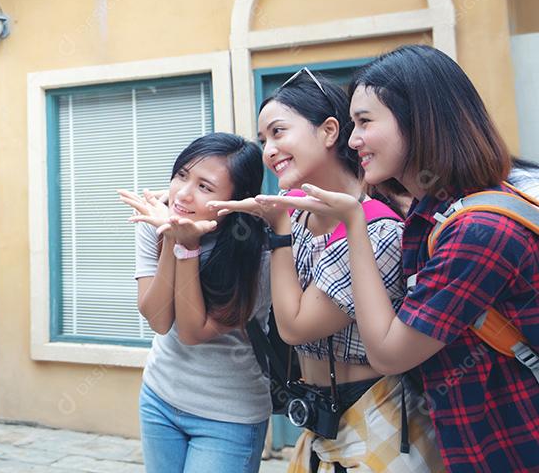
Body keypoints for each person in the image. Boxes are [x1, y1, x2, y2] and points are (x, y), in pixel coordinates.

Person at [263, 46, 538, 472]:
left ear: (419, 119)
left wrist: (354, 223)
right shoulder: (432, 215)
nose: (355, 141)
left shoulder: (478, 231)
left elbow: (388, 352)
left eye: (365, 122)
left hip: (509, 443)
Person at [214, 69, 442, 472]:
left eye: (279, 132)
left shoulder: (376, 229)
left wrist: (280, 231)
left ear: (330, 131)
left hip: (375, 415)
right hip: (321, 422)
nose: (269, 150)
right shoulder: (297, 211)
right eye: (264, 139)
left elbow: (295, 326)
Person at [118, 133, 271, 473]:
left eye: (205, 187)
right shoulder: (156, 223)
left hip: (228, 416)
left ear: (235, 200)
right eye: (182, 175)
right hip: (160, 398)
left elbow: (191, 331)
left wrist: (187, 247)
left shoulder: (257, 253)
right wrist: (172, 236)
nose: (183, 194)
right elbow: (158, 319)